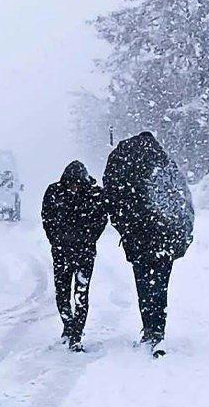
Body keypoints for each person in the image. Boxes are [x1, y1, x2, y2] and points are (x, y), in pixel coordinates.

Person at [103, 132, 194, 355]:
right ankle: (158, 331)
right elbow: (183, 204)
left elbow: (113, 202)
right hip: (166, 241)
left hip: (139, 241)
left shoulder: (126, 169)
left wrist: (125, 228)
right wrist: (181, 236)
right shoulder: (165, 167)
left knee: (144, 286)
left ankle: (149, 328)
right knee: (161, 286)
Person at [41, 160, 108, 352]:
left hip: (84, 253)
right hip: (62, 252)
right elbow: (47, 218)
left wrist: (89, 239)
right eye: (71, 183)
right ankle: (68, 325)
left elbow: (102, 219)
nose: (74, 188)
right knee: (62, 294)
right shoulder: (54, 193)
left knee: (81, 294)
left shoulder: (94, 195)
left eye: (77, 184)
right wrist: (55, 240)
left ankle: (76, 334)